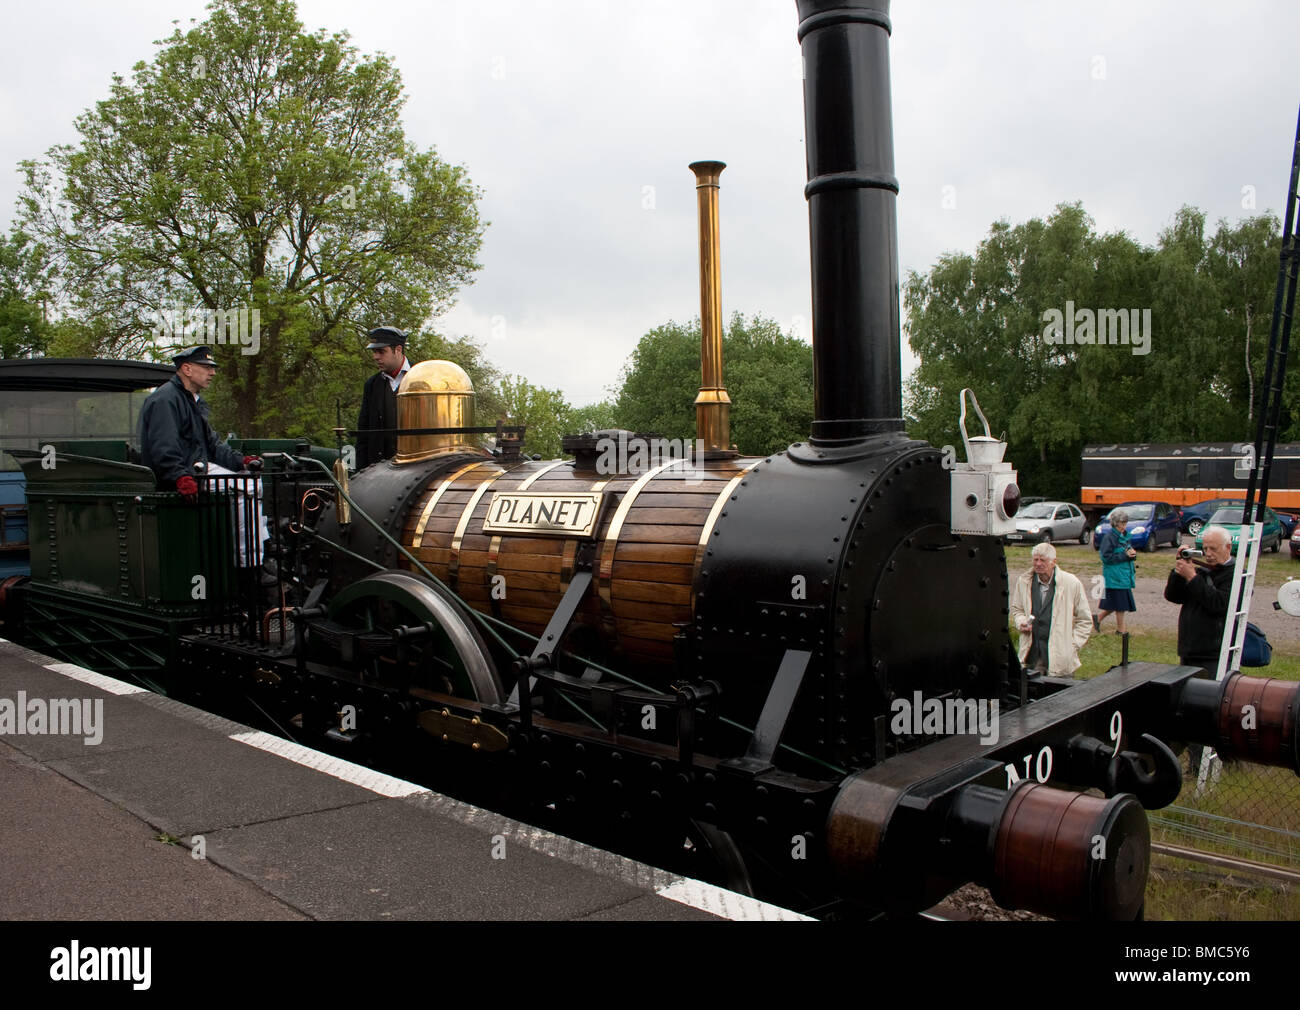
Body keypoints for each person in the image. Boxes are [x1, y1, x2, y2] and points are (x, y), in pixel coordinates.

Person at [138, 345, 253, 501]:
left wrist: (242, 461)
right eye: (206, 367)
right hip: (180, 477)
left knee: (250, 477)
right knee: (248, 486)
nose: (212, 373)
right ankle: (244, 527)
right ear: (187, 369)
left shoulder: (194, 401)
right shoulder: (165, 400)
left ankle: (243, 526)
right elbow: (164, 447)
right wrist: (181, 477)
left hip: (196, 470)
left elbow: (213, 446)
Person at [1009, 541, 1094, 678]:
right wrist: (1021, 622)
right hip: (1031, 654)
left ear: (1053, 562)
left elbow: (1085, 620)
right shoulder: (1024, 581)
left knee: (1062, 695)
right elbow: (1017, 609)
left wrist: (1072, 646)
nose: (1038, 564)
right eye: (1035, 560)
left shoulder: (1071, 583)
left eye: (1043, 560)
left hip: (1060, 657)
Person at [1163, 525, 1235, 676]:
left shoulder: (1236, 574)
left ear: (1228, 547)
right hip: (1189, 649)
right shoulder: (1201, 570)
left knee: (1210, 695)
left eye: (1213, 549)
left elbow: (1219, 604)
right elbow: (1174, 596)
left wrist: (1192, 577)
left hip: (1215, 653)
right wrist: (1179, 571)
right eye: (1205, 548)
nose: (1208, 554)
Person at [356, 326, 412, 470]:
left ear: (398, 350)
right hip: (379, 474)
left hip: (416, 469)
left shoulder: (422, 378)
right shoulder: (371, 385)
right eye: (374, 352)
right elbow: (363, 435)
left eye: (381, 351)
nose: (376, 357)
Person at [1096, 508, 1138, 634]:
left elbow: (1127, 551)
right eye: (1122, 524)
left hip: (1123, 575)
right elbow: (1106, 557)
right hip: (1114, 576)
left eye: (1125, 523)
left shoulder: (1124, 536)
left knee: (1117, 603)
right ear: (1115, 524)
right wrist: (1125, 556)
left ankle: (1097, 618)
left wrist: (1132, 554)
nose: (1124, 526)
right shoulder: (1109, 538)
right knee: (1120, 605)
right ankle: (1121, 630)